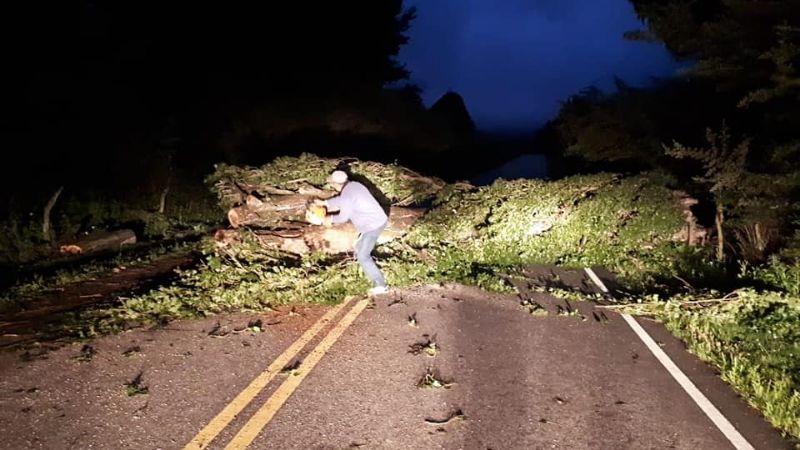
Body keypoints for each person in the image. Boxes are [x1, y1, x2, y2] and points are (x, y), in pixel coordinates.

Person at [313, 170, 389, 295]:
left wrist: (329, 219)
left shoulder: (347, 194)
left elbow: (343, 217)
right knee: (359, 248)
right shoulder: (354, 185)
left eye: (332, 183)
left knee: (363, 256)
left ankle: (380, 285)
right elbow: (341, 200)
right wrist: (325, 203)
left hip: (373, 226)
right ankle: (366, 272)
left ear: (335, 183)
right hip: (375, 221)